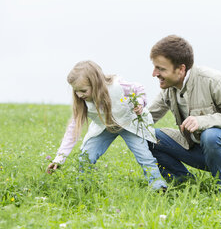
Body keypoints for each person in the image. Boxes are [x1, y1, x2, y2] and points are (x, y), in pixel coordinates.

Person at [148, 35, 221, 192]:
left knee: (211, 135)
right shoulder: (169, 88)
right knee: (149, 136)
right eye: (155, 67)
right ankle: (184, 185)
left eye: (161, 69)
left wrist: (203, 121)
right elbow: (145, 119)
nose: (154, 73)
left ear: (181, 69)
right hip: (198, 149)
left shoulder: (212, 80)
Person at [46, 60, 167, 191]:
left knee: (144, 156)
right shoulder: (82, 101)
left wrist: (139, 102)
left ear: (96, 84)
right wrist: (59, 158)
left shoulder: (117, 86)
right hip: (104, 126)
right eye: (76, 91)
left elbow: (138, 88)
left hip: (128, 122)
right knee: (86, 156)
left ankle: (158, 186)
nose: (79, 95)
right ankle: (83, 186)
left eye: (83, 90)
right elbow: (72, 131)